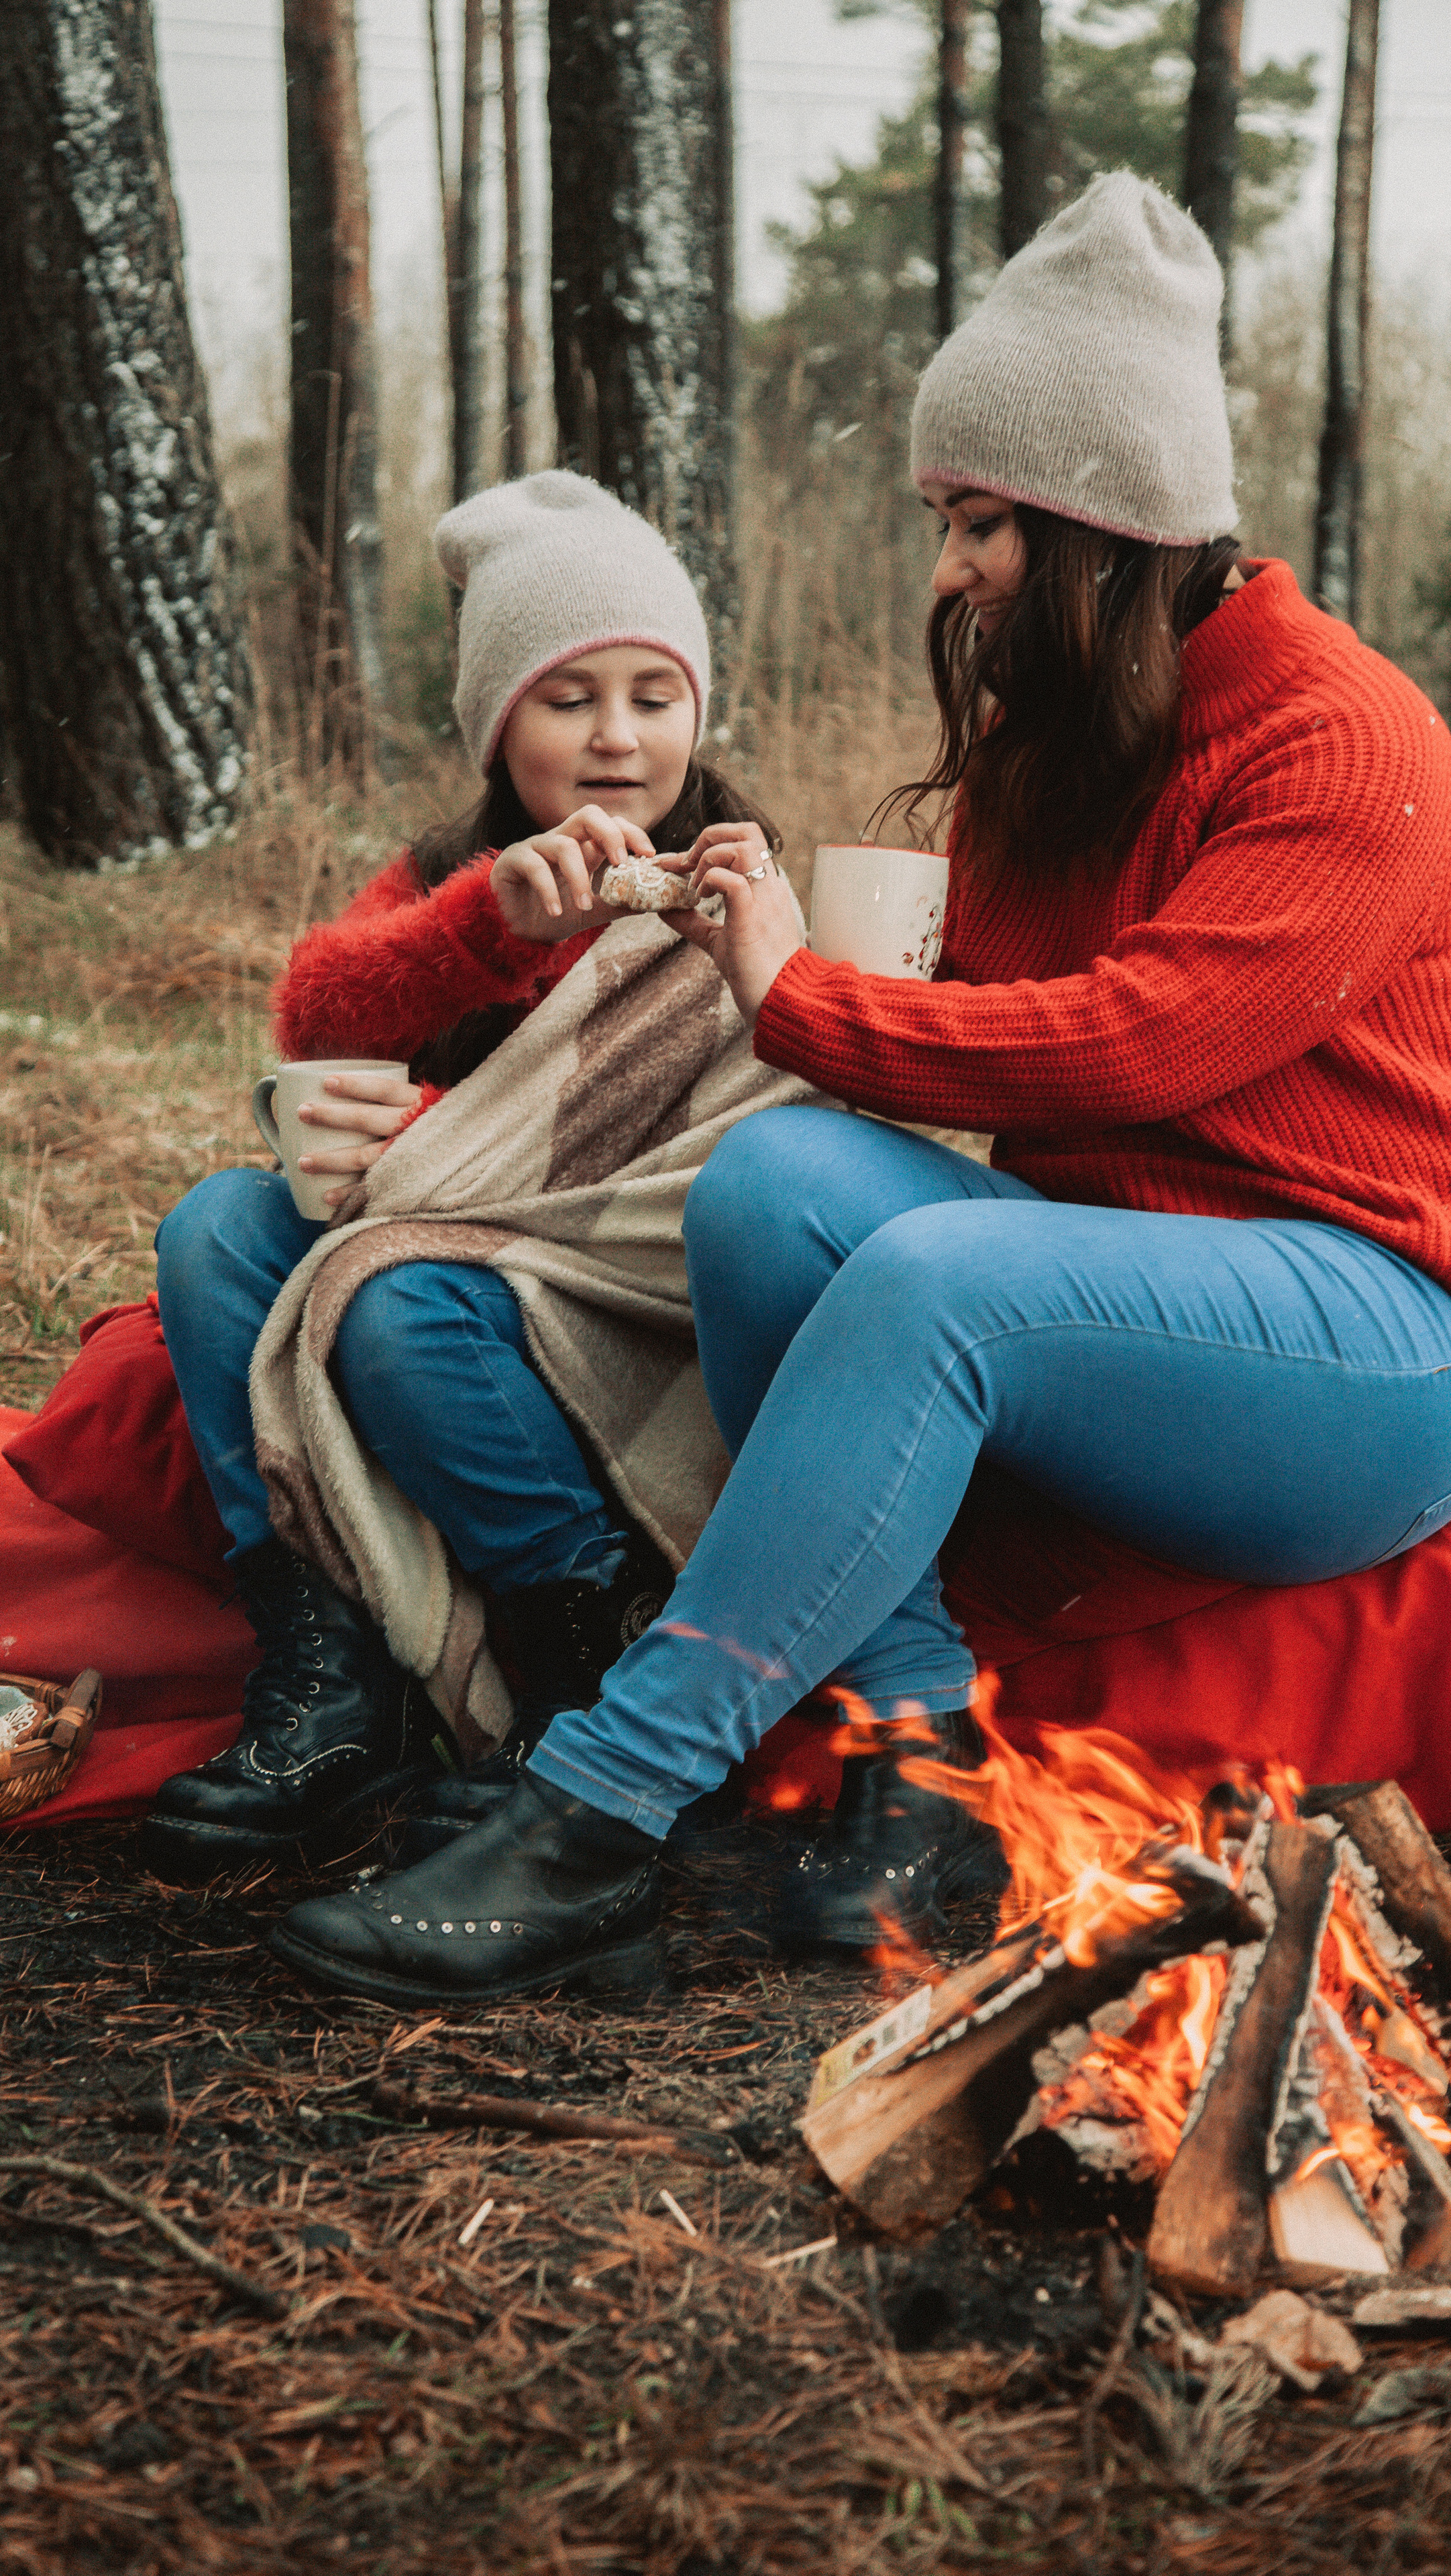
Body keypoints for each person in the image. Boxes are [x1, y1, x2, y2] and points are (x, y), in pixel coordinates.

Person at [268, 170, 1451, 2004]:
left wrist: (805, 998)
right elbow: (956, 1022)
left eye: (980, 522)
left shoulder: (1347, 737)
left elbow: (1145, 1037)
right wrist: (710, 948)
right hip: (1106, 1287)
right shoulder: (1062, 738)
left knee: (925, 1275)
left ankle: (596, 1810)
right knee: (779, 1187)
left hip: (1367, 1344)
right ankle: (919, 1770)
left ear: (1101, 518)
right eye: (947, 521)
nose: (952, 570)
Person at [141, 472, 776, 1878]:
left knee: (393, 1301)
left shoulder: (744, 874)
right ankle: (327, 1673)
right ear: (500, 722)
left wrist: (763, 953)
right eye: (567, 700)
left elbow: (748, 1118)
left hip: (609, 1291)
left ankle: (576, 1688)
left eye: (652, 694)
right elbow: (317, 1013)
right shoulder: (460, 878)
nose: (616, 738)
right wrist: (481, 927)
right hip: (444, 1244)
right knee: (213, 1230)